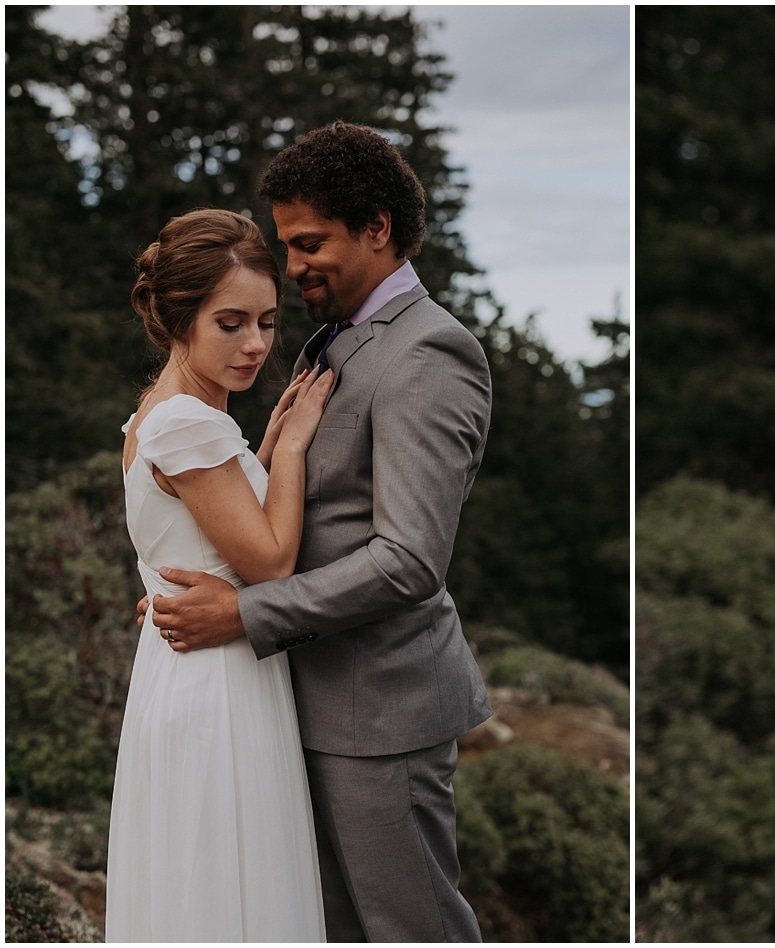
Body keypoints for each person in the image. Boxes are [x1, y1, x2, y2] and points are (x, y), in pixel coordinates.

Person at [148, 121, 494, 942]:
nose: (293, 265)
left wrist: (243, 615)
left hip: (380, 714)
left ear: (377, 228)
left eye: (310, 243)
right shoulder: (330, 338)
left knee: (410, 930)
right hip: (297, 704)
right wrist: (204, 586)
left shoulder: (429, 354)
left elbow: (409, 560)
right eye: (286, 244)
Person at [106, 208, 334, 941]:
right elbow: (267, 560)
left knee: (198, 887)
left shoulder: (158, 414)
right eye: (230, 322)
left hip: (181, 673)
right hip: (219, 683)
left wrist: (258, 452)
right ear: (179, 317)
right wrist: (293, 449)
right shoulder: (191, 424)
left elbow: (206, 531)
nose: (256, 345)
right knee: (229, 887)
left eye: (267, 322)